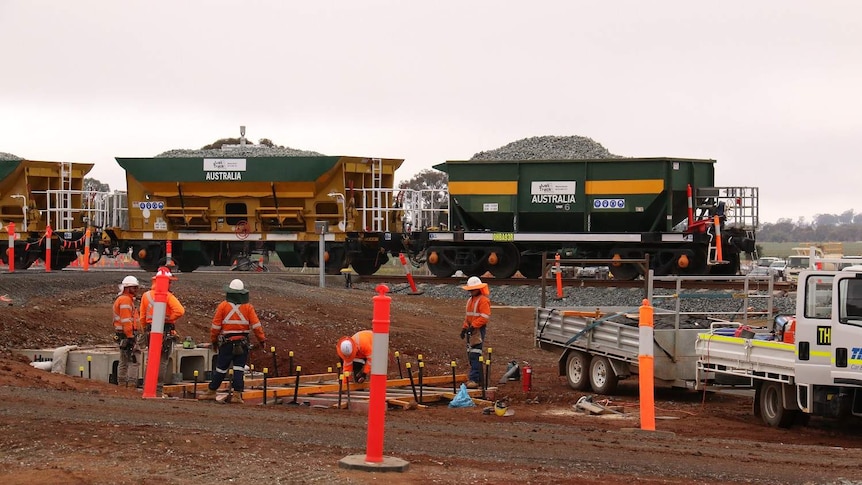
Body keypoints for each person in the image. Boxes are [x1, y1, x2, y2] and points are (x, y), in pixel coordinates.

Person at [198, 279, 267, 404]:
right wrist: (262, 340)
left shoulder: (223, 306)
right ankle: (237, 395)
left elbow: (215, 327)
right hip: (242, 343)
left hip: (227, 343)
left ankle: (211, 391)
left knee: (220, 369)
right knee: (239, 369)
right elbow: (256, 326)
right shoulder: (248, 307)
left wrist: (214, 341)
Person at [139, 266, 185, 396]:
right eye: (169, 281)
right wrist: (170, 318)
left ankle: (147, 386)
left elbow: (142, 317)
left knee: (151, 359)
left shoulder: (146, 295)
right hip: (165, 330)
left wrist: (144, 330)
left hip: (149, 331)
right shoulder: (168, 296)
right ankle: (158, 389)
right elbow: (180, 311)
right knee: (162, 360)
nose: (170, 284)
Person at [460, 276, 490, 389]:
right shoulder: (470, 301)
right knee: (471, 354)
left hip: (477, 330)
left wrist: (473, 327)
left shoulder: (483, 300)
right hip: (471, 330)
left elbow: (484, 317)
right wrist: (464, 328)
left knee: (475, 354)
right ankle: (478, 379)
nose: (471, 291)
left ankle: (475, 379)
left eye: (473, 289)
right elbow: (468, 317)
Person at [113, 275, 141, 388]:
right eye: (133, 288)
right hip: (127, 335)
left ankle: (122, 384)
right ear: (127, 288)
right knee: (134, 360)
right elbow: (126, 321)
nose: (136, 290)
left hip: (123, 335)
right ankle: (130, 385)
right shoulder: (125, 300)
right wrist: (130, 336)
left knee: (124, 360)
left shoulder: (125, 299)